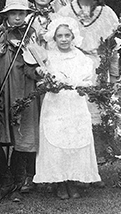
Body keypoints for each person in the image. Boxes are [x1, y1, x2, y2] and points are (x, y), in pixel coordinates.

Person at [57, 0, 120, 166]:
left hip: (99, 68)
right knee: (75, 115)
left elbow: (113, 49)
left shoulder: (107, 12)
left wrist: (114, 76)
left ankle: (96, 165)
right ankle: (75, 163)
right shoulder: (66, 11)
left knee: (98, 115)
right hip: (73, 67)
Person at [33, 17, 101, 199]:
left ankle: (73, 180)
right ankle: (59, 182)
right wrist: (47, 79)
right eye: (59, 36)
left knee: (74, 140)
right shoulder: (48, 57)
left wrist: (79, 85)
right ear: (54, 38)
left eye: (67, 35)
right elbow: (43, 79)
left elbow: (87, 81)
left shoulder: (81, 58)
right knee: (57, 140)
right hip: (55, 104)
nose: (63, 39)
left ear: (73, 37)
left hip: (75, 104)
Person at [0, 0, 39, 202]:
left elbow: (37, 63)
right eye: (13, 13)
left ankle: (16, 186)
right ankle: (5, 182)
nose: (18, 17)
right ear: (6, 14)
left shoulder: (31, 33)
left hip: (23, 91)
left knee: (22, 138)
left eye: (22, 13)